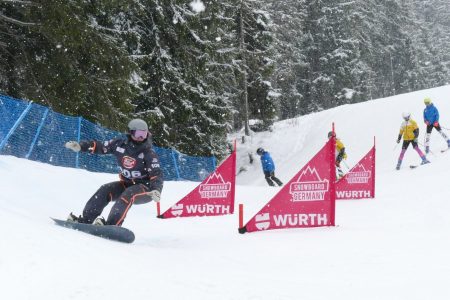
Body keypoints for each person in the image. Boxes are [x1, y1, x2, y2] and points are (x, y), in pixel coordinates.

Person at [64, 118, 164, 226]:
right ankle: (85, 220)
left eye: (144, 134)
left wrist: (156, 189)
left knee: (129, 194)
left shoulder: (148, 153)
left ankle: (112, 224)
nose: (141, 138)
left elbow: (156, 173)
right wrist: (81, 146)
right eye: (138, 134)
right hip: (126, 184)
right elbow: (101, 146)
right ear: (130, 133)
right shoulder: (119, 145)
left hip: (146, 189)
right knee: (105, 190)